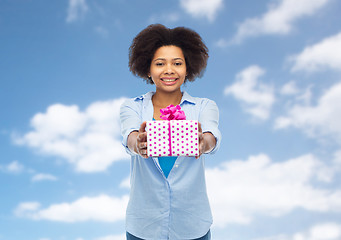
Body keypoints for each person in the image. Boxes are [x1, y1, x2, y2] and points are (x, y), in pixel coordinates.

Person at [120, 24, 221, 240]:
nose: (169, 70)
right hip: (143, 226)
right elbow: (129, 135)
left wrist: (203, 142)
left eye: (177, 63)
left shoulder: (204, 106)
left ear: (188, 68)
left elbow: (211, 135)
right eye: (159, 63)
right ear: (148, 69)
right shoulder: (133, 107)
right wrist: (138, 143)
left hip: (193, 226)